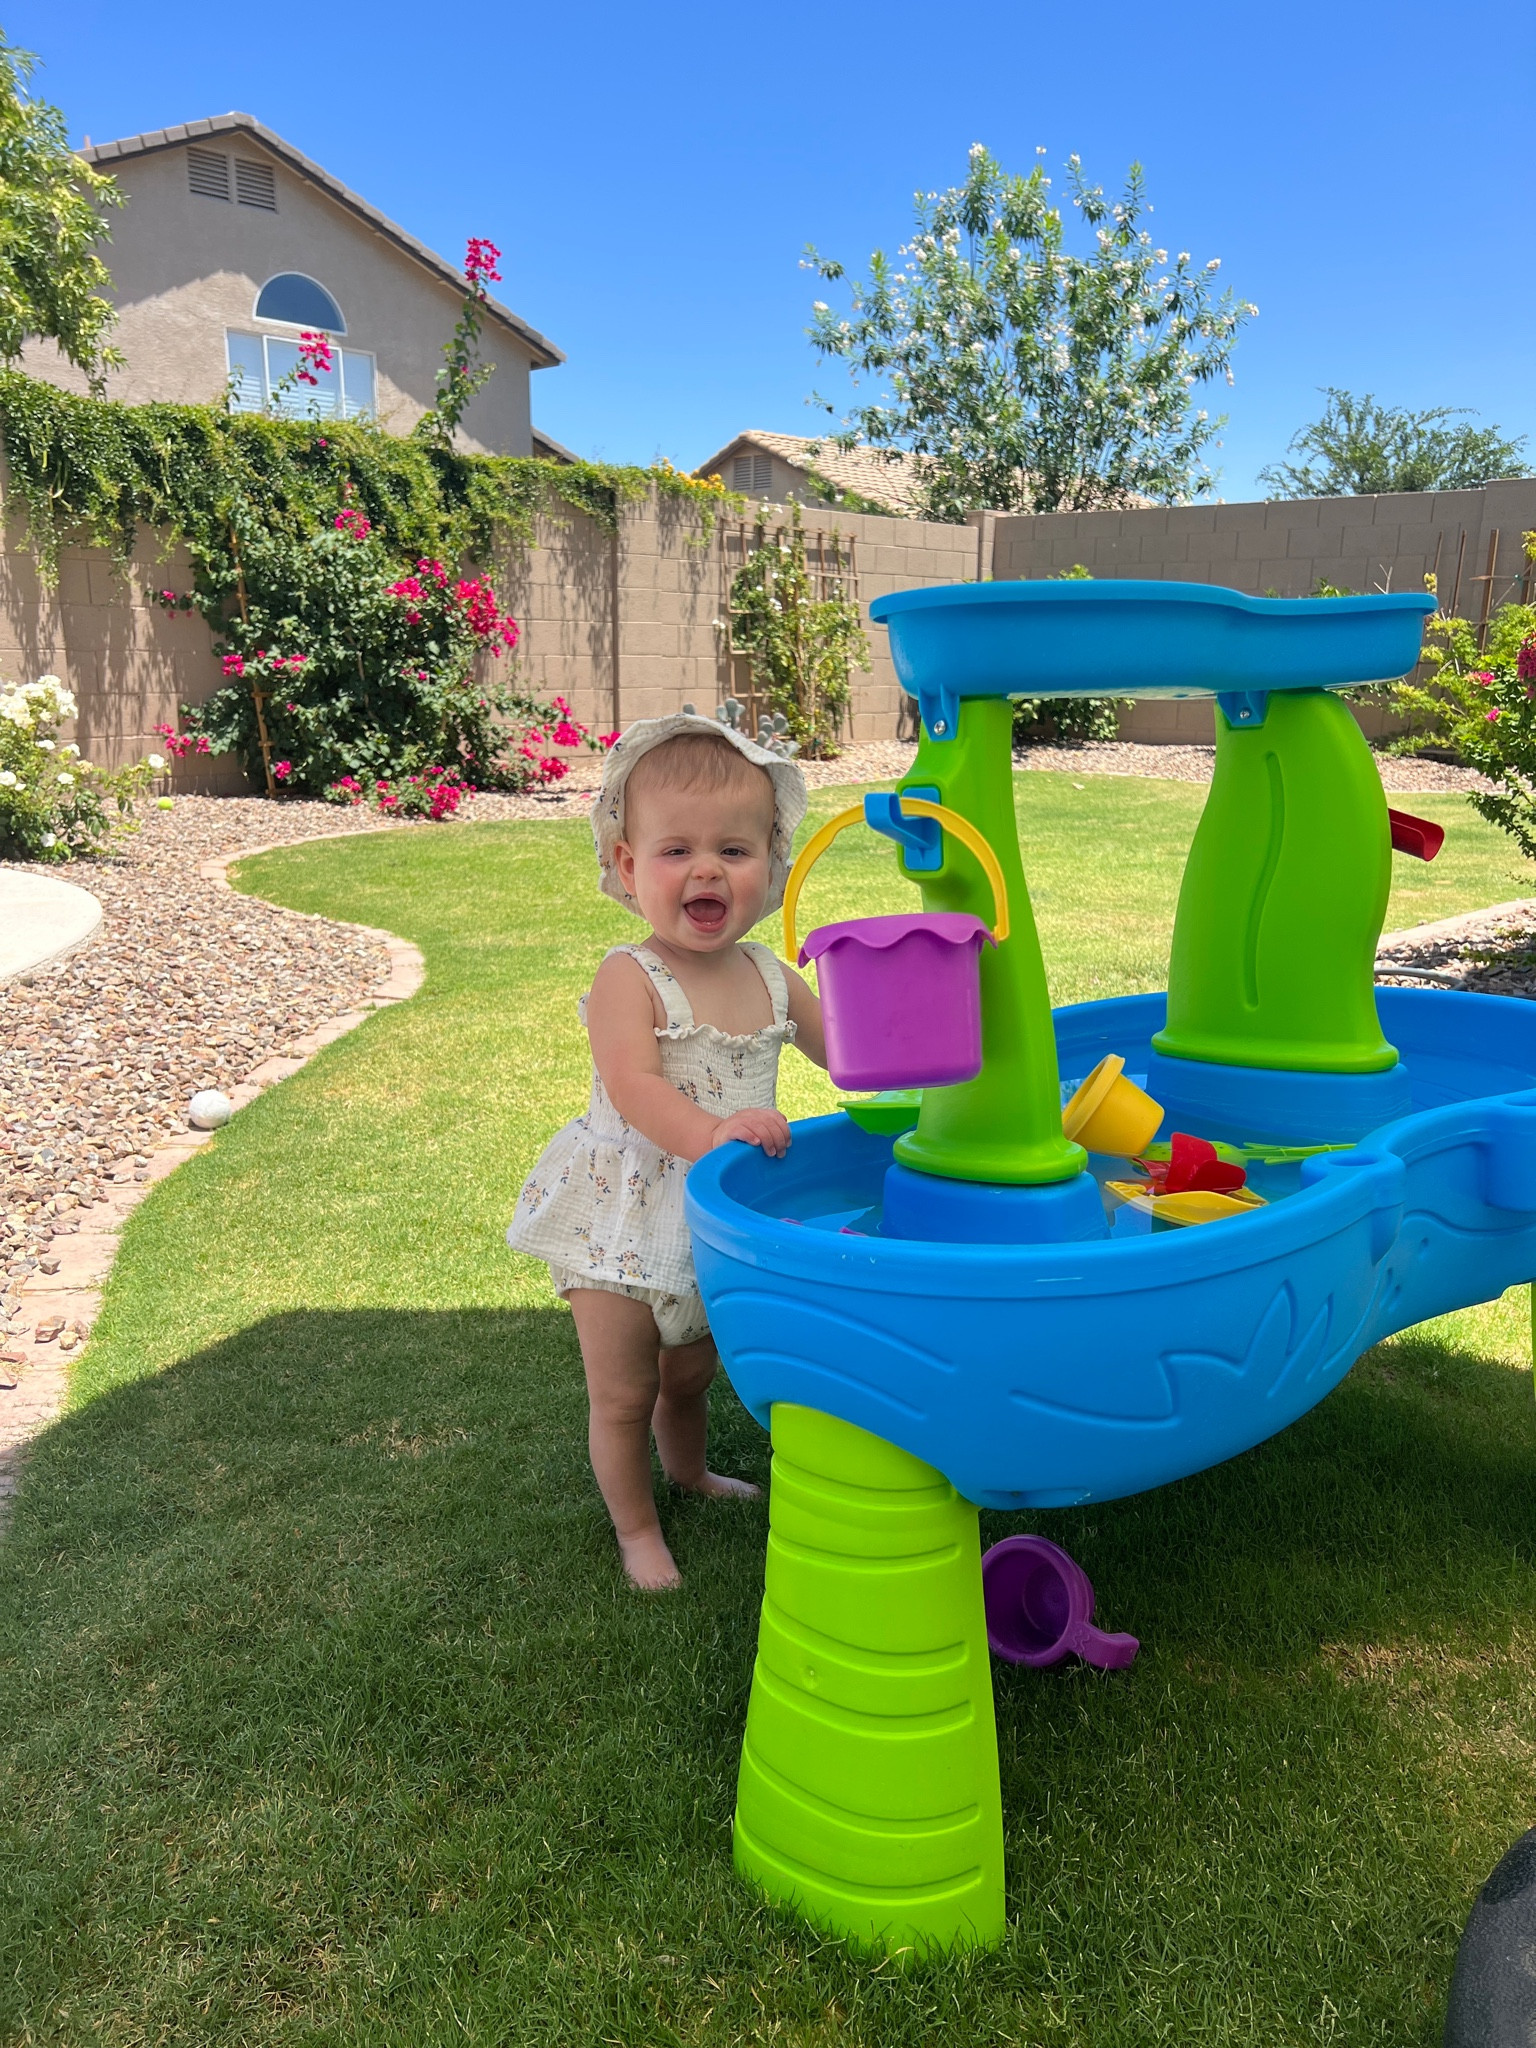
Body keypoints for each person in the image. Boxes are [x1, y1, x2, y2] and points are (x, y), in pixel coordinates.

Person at [507, 714, 826, 1590]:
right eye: (676, 850)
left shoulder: (770, 975)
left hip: (719, 1218)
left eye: (734, 848)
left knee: (688, 1377)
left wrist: (910, 1016)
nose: (707, 869)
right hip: (622, 1214)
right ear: (627, 866)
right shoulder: (629, 976)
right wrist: (711, 1132)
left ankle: (688, 1472)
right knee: (623, 1393)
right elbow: (638, 1087)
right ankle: (637, 1531)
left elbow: (852, 1054)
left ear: (773, 863)